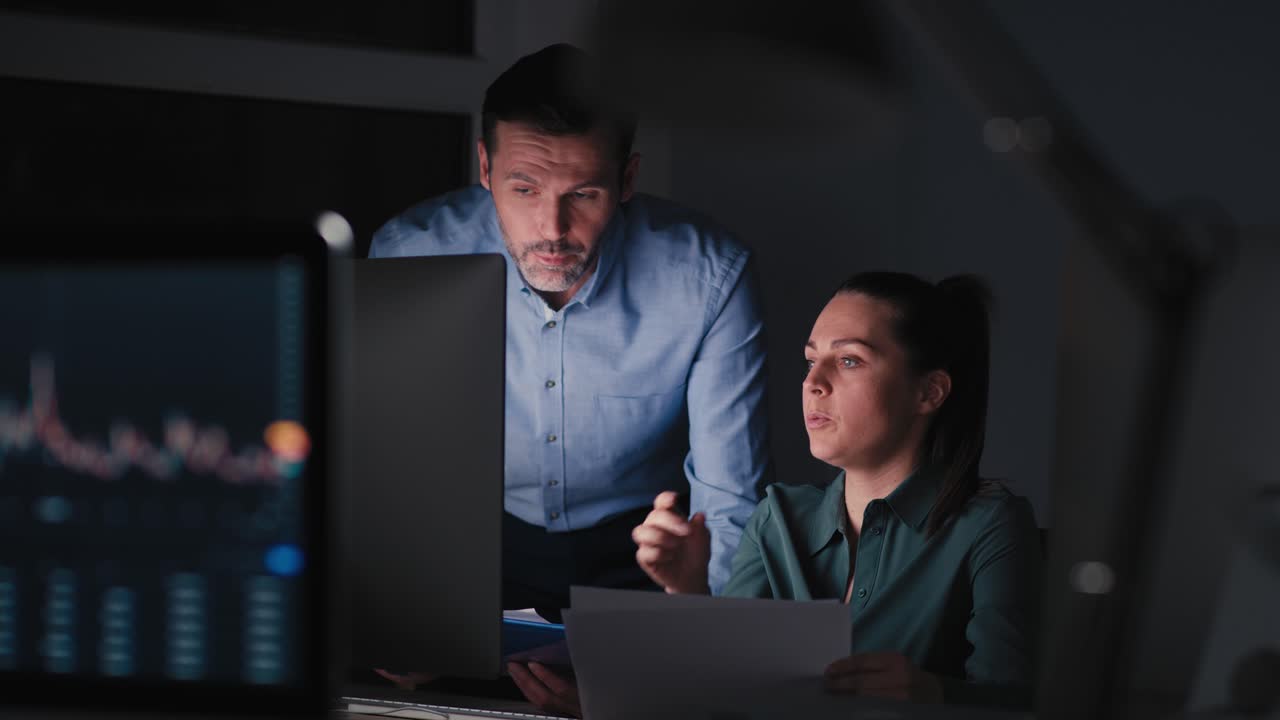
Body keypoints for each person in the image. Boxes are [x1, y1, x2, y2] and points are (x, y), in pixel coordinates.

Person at [509, 271, 1043, 714]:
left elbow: (1021, 704)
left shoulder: (991, 524)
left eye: (849, 360)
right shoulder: (778, 516)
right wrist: (687, 592)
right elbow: (723, 696)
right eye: (811, 360)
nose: (814, 382)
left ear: (929, 392)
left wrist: (933, 696)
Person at [369, 43, 771, 620]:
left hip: (648, 553)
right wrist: (408, 618)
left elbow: (730, 502)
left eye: (583, 194)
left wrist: (705, 637)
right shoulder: (413, 256)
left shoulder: (711, 278)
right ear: (485, 168)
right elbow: (388, 474)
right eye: (524, 189)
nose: (552, 229)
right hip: (468, 544)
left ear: (626, 179)